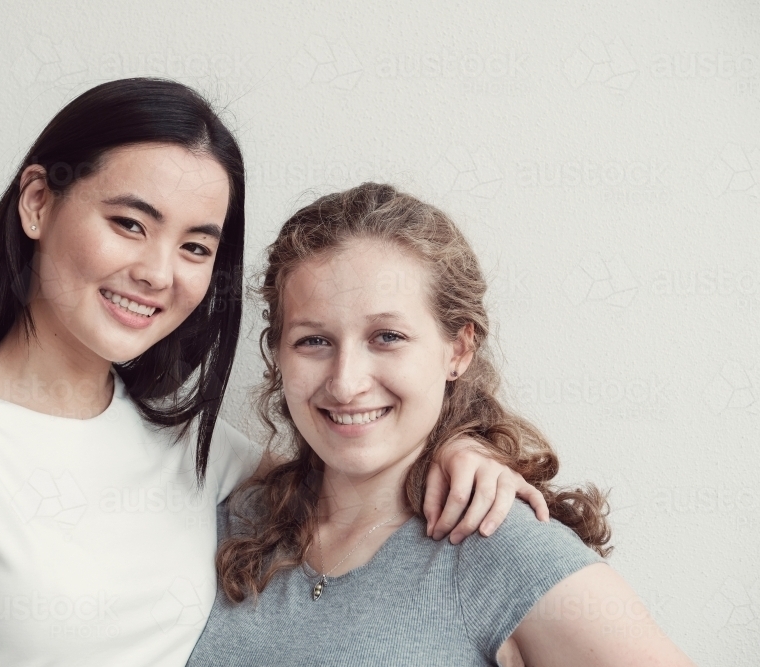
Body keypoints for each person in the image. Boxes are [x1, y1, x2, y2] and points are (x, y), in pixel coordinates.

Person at [0, 80, 547, 667]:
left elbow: (360, 465)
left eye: (196, 246)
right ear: (38, 202)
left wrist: (463, 442)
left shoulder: (201, 456)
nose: (157, 272)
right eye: (130, 223)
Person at [185, 183, 697, 666]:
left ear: (458, 349)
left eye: (387, 337)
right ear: (277, 354)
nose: (345, 383)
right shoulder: (232, 518)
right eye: (313, 341)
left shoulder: (499, 542)